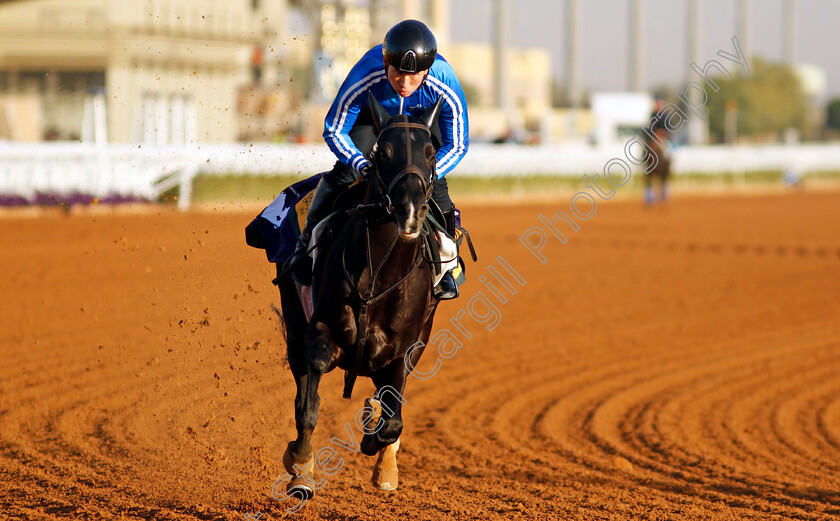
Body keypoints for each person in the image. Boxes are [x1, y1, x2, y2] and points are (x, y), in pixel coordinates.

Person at [290, 19, 469, 299]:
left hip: (420, 127)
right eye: (397, 74)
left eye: (415, 76)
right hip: (373, 123)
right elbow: (334, 129)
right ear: (386, 61)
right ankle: (304, 248)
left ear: (428, 70)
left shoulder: (445, 81)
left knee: (439, 189)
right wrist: (360, 164)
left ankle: (448, 266)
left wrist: (429, 174)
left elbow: (457, 145)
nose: (405, 85)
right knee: (344, 176)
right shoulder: (366, 71)